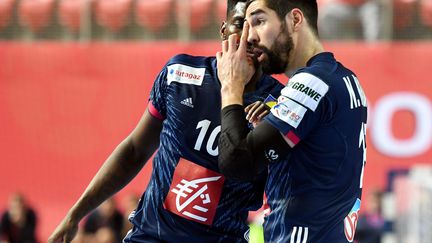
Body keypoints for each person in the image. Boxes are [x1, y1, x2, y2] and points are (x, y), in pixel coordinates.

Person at [48, 1, 284, 242]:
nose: (249, 35)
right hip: (150, 236)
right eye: (240, 24)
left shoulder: (281, 105)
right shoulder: (179, 75)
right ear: (223, 30)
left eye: (258, 24)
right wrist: (74, 215)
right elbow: (134, 150)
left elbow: (288, 190)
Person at [216, 0, 368, 242]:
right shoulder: (348, 79)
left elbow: (237, 162)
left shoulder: (311, 82)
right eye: (245, 25)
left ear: (295, 20)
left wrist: (231, 85)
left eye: (259, 21)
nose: (250, 37)